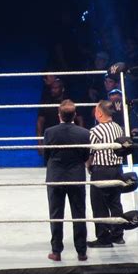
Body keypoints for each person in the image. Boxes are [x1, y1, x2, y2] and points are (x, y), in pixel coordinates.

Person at [44, 100, 89, 261]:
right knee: (79, 214)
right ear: (75, 115)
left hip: (56, 177)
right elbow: (85, 156)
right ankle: (82, 252)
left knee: (56, 215)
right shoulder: (84, 133)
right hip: (76, 177)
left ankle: (56, 251)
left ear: (59, 115)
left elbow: (46, 155)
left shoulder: (50, 132)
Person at [87, 100, 125, 248]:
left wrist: (89, 166)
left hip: (101, 170)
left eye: (96, 110)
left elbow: (90, 152)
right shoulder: (118, 128)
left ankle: (104, 238)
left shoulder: (95, 130)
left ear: (100, 113)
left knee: (99, 205)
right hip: (117, 169)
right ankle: (118, 235)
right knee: (115, 202)